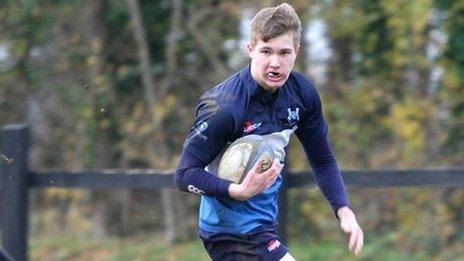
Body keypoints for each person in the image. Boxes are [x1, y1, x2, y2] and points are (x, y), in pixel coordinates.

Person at [174, 3, 363, 260]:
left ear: (297, 51)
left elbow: (322, 159)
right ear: (250, 50)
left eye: (284, 52)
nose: (275, 63)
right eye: (266, 51)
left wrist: (344, 210)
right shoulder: (224, 106)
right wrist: (237, 191)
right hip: (228, 232)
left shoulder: (302, 95)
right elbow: (184, 175)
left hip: (262, 226)